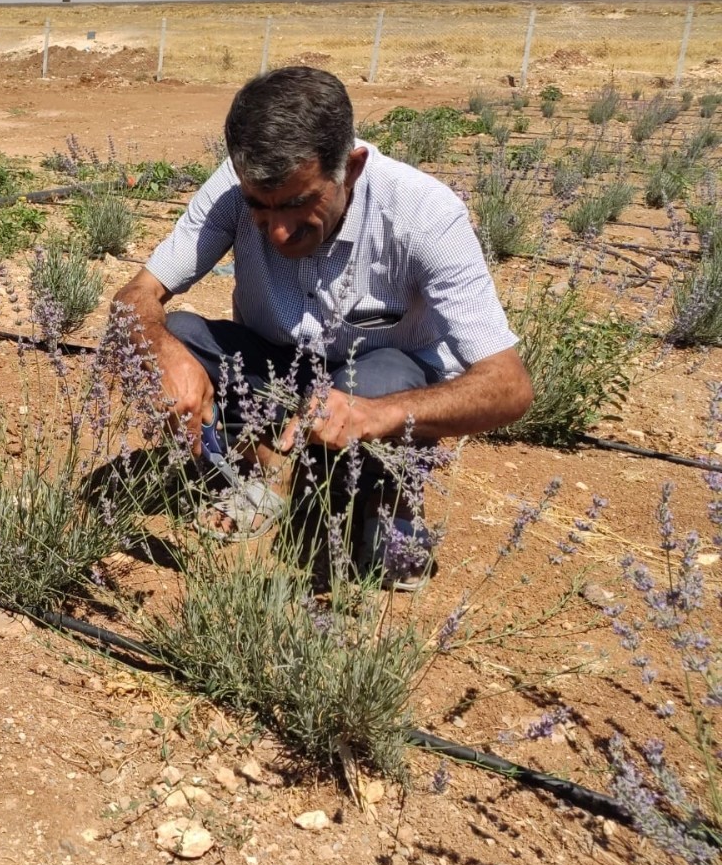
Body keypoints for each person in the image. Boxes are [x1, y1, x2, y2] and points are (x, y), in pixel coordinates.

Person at [113, 66, 534, 590]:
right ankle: (267, 468)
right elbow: (135, 298)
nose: (279, 230)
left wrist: (376, 414)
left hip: (379, 386)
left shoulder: (423, 212)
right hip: (277, 371)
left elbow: (509, 385)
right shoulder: (231, 187)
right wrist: (160, 351)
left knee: (384, 373)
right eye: (259, 208)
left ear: (351, 169)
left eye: (297, 203)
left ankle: (388, 503)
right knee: (175, 334)